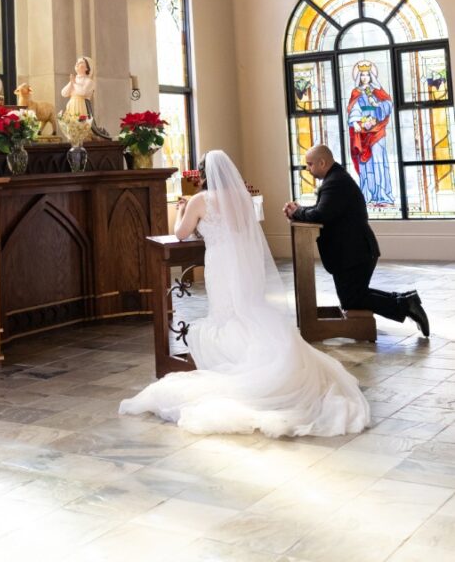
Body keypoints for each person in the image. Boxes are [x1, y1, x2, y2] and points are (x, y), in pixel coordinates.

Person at [120, 150, 371, 438]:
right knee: (247, 308)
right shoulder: (241, 198)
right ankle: (260, 355)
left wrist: (181, 209)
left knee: (226, 313)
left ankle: (237, 361)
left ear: (203, 174)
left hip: (221, 266)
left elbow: (180, 233)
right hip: (242, 264)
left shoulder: (201, 200)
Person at [284, 144, 429, 336]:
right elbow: (324, 209)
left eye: (310, 165)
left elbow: (321, 214)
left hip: (355, 252)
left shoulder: (336, 182)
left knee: (353, 299)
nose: (308, 169)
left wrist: (298, 211)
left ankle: (405, 303)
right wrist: (299, 210)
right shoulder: (335, 179)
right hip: (352, 251)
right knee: (354, 297)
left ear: (322, 162)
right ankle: (406, 301)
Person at [347, 61, 394, 207]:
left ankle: (382, 195)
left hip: (377, 130)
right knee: (365, 163)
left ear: (372, 75)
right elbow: (353, 109)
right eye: (362, 75)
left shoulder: (378, 91)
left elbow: (388, 104)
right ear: (359, 77)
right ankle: (367, 195)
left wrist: (377, 108)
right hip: (362, 131)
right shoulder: (356, 92)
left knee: (379, 161)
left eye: (367, 74)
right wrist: (356, 122)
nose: (365, 77)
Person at [61, 55, 110, 138]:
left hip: (82, 105)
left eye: (81, 63)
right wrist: (71, 83)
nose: (77, 64)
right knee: (72, 126)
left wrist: (74, 83)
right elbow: (64, 93)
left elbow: (82, 92)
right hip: (72, 104)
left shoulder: (89, 81)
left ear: (87, 68)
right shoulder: (74, 80)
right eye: (77, 62)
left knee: (82, 126)